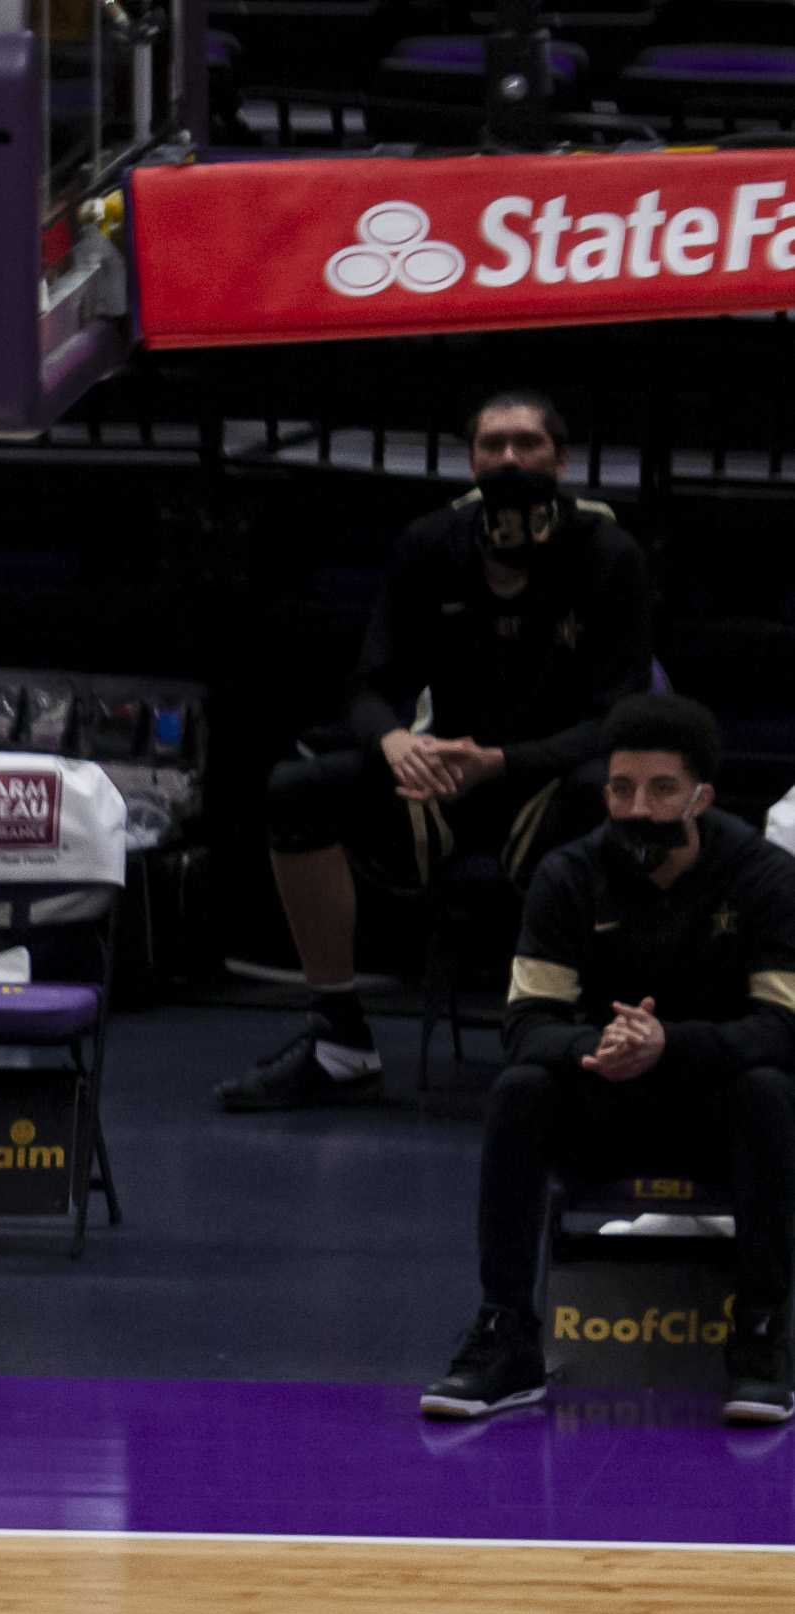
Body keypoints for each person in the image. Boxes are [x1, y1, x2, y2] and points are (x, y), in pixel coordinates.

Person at [217, 391, 654, 1112]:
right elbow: (368, 686)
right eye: (493, 445)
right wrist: (394, 742)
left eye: (527, 444)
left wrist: (507, 762)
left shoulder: (609, 555)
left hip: (548, 782)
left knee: (606, 789)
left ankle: (579, 1042)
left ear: (561, 461)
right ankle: (340, 1043)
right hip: (441, 786)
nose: (509, 458)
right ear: (472, 461)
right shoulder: (430, 544)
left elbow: (622, 718)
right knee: (298, 790)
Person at [424, 693, 795, 1426]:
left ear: (702, 795)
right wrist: (601, 1045)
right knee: (522, 1088)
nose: (638, 808)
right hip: (606, 1102)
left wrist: (672, 1045)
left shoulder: (763, 879)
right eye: (622, 789)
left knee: (769, 1090)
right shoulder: (567, 876)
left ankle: (760, 1336)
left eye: (661, 790)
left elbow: (782, 1026)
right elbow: (527, 1024)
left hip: (715, 1116)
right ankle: (506, 1334)